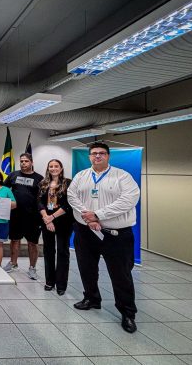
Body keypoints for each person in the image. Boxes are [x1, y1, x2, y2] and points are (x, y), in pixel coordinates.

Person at [67, 142, 140, 333]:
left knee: (121, 274)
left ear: (108, 156)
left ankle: (127, 313)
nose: (97, 156)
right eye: (94, 153)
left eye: (101, 153)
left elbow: (129, 199)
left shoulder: (122, 176)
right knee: (86, 268)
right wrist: (88, 217)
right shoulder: (81, 176)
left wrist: (98, 215)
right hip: (85, 231)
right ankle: (91, 298)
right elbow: (72, 196)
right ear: (89, 156)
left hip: (115, 234)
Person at [2, 153, 44, 279]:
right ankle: (13, 263)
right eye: (21, 161)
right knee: (15, 240)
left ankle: (32, 268)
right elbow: (3, 190)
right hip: (15, 215)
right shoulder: (13, 175)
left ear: (31, 162)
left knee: (33, 243)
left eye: (26, 161)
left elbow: (43, 197)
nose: (23, 163)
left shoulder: (39, 178)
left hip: (33, 217)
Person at [38, 159, 74, 295]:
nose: (53, 168)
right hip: (46, 220)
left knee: (62, 252)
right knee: (48, 251)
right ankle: (49, 281)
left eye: (56, 166)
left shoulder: (68, 183)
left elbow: (68, 204)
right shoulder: (43, 183)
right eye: (51, 166)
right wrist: (47, 219)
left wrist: (52, 217)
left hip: (64, 221)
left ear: (61, 168)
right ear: (48, 168)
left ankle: (61, 284)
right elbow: (39, 202)